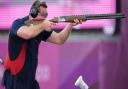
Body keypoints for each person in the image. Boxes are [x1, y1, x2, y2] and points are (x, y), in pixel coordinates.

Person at [2, 0, 83, 89]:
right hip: (15, 79)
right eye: (43, 15)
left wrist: (70, 25)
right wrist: (44, 25)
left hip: (30, 80)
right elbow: (27, 34)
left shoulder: (41, 28)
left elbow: (60, 39)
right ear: (33, 13)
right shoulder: (17, 24)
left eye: (46, 15)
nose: (45, 18)